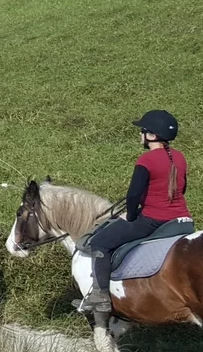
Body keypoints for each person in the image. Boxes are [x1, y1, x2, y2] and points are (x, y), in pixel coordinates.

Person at [79, 110, 192, 313]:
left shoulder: (146, 160)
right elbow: (181, 189)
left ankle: (100, 296)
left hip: (154, 219)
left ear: (151, 136)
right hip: (181, 219)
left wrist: (130, 216)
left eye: (142, 131)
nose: (140, 135)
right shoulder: (180, 158)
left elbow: (133, 196)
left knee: (99, 243)